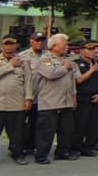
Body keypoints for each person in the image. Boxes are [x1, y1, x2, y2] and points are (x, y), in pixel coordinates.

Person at [0, 37, 32, 167]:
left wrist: (28, 98)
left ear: (17, 46)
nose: (9, 47)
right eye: (6, 44)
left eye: (12, 45)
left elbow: (28, 81)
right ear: (1, 46)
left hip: (16, 103)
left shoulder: (24, 61)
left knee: (17, 133)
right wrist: (10, 66)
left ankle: (18, 154)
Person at [32, 34, 79, 164]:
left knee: (66, 130)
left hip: (66, 101)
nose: (67, 47)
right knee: (46, 131)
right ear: (54, 46)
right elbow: (50, 74)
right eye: (64, 45)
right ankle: (41, 155)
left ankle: (62, 152)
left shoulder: (67, 59)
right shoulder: (45, 59)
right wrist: (65, 68)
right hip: (50, 101)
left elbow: (72, 81)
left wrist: (73, 96)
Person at [71, 41, 98, 157]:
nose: (95, 51)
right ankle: (75, 148)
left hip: (96, 98)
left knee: (93, 125)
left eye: (96, 49)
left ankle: (89, 147)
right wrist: (91, 70)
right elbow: (78, 80)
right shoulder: (76, 63)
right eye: (91, 49)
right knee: (80, 125)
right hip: (82, 98)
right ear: (82, 50)